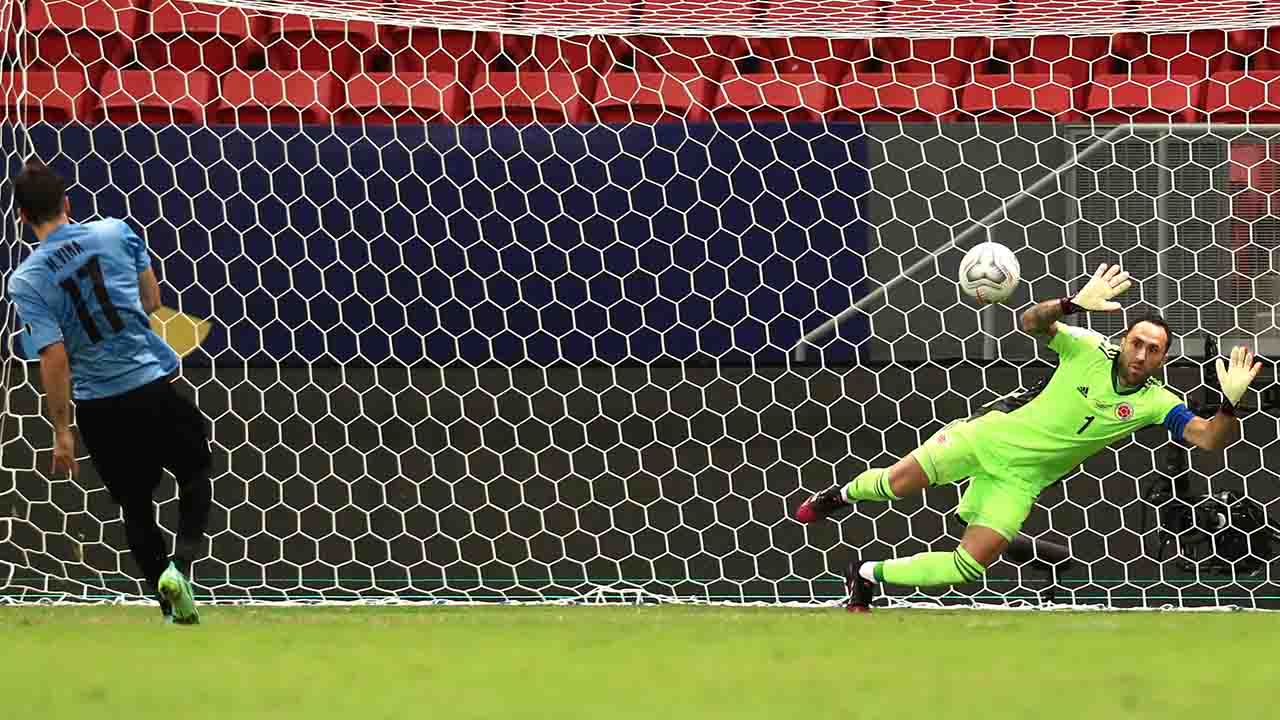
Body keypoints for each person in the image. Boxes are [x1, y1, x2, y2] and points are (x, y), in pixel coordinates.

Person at [794, 263, 1262, 611]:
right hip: (988, 438)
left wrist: (1231, 404)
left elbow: (1208, 439)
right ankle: (837, 495)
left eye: (1153, 349)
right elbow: (1031, 323)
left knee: (968, 566)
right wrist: (1072, 304)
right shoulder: (1086, 347)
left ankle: (865, 574)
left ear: (1162, 359)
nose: (1140, 354)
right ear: (1122, 340)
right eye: (1136, 342)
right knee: (896, 485)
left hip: (1021, 480)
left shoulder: (1157, 401)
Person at [8, 159, 213, 624]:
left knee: (136, 507)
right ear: (67, 203)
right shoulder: (115, 232)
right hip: (149, 384)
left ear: (21, 218)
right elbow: (151, 300)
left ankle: (172, 610)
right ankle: (181, 566)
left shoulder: (26, 280)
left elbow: (53, 356)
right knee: (196, 469)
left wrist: (62, 430)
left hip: (99, 408)